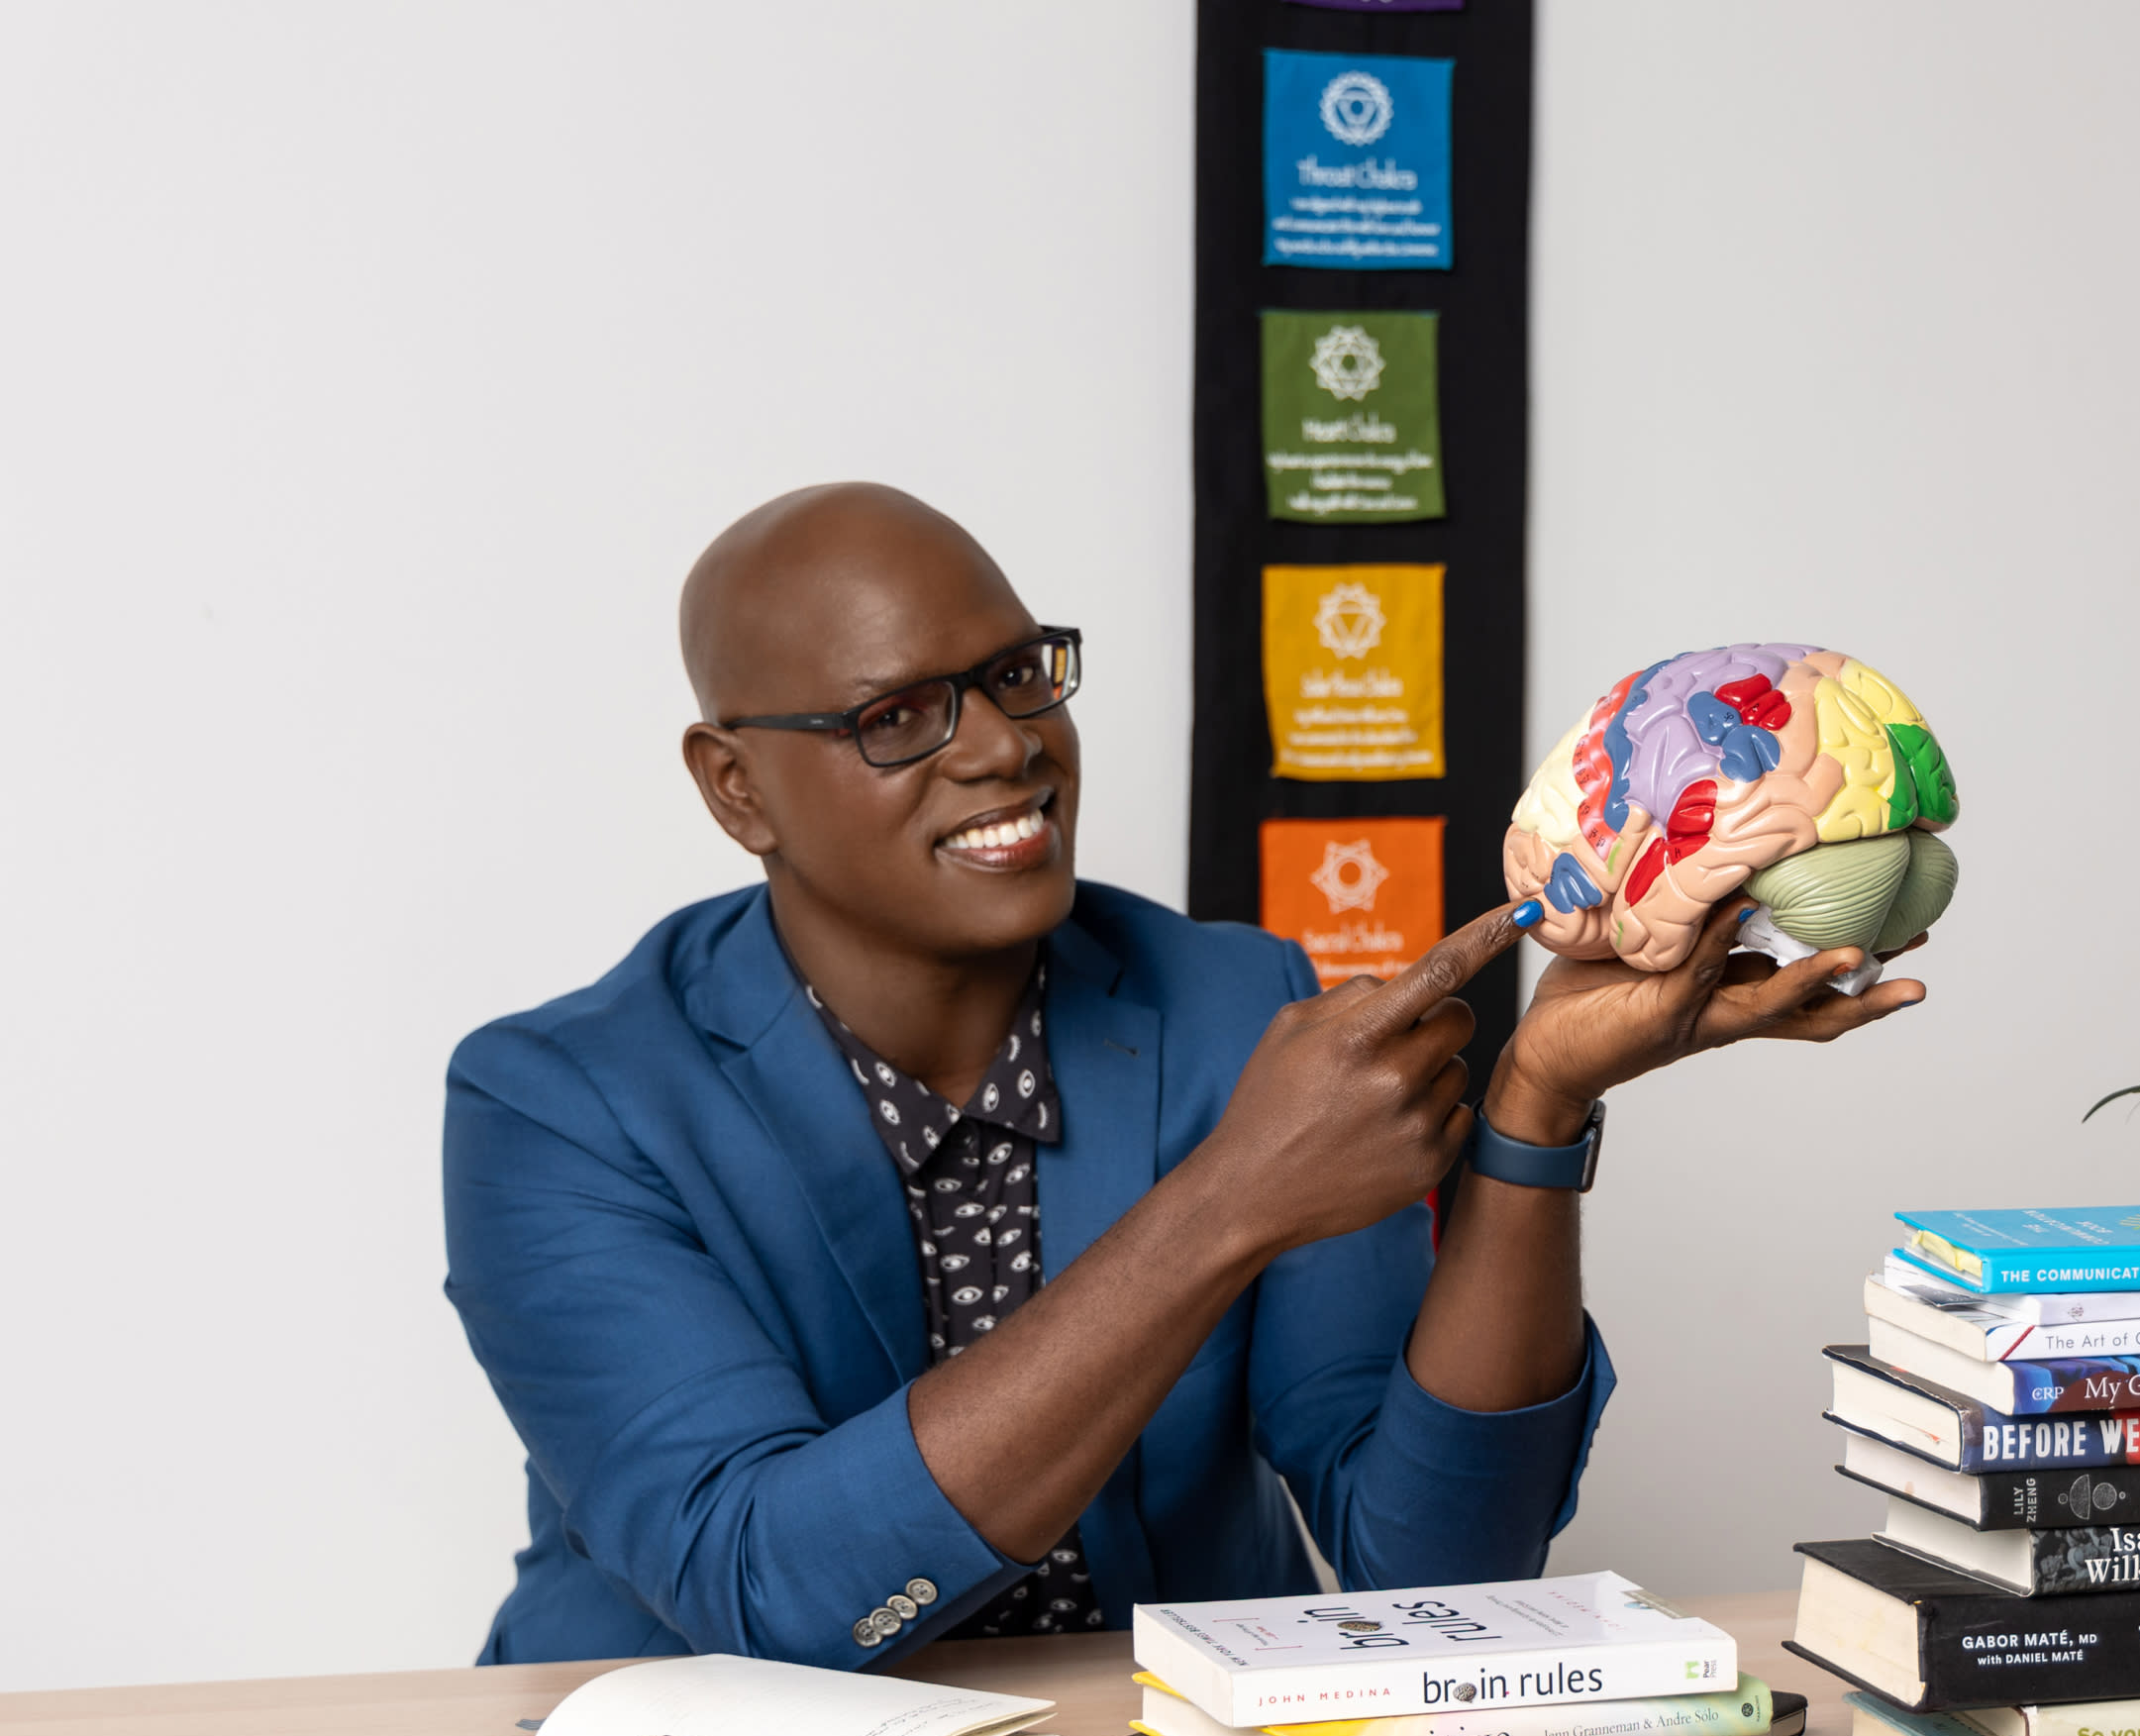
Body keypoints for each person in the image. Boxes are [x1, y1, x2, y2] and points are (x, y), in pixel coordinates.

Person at [444, 483, 1924, 1667]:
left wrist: (1537, 1101)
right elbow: (769, 1593)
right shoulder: (561, 1103)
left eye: (1015, 676)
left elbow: (1435, 1573)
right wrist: (1232, 1199)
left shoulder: (1236, 1009)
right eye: (898, 716)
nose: (1006, 748)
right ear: (736, 787)